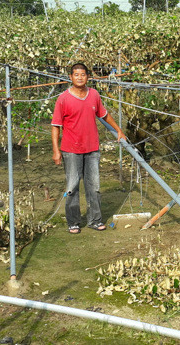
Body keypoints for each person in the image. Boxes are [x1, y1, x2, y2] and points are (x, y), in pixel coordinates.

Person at [51, 63, 126, 234]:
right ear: (70, 77)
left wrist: (118, 130)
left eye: (83, 74)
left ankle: (95, 220)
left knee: (94, 186)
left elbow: (104, 114)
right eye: (76, 74)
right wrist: (56, 150)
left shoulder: (93, 95)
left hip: (92, 149)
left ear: (87, 77)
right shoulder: (63, 99)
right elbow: (55, 126)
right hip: (71, 150)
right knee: (72, 186)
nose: (79, 77)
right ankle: (74, 222)